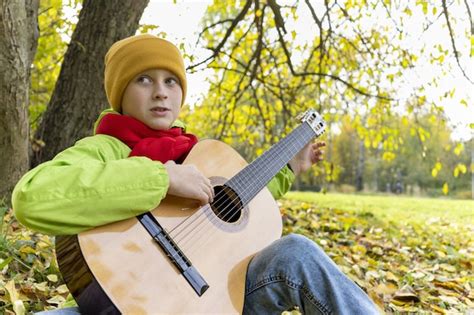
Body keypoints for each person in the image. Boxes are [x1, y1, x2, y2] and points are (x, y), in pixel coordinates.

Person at [12, 34, 379, 314]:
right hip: (115, 304)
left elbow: (241, 198)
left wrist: (288, 168)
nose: (161, 92)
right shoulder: (103, 149)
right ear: (120, 92)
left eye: (171, 82)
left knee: (296, 251)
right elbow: (32, 198)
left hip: (211, 300)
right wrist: (163, 180)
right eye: (143, 79)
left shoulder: (199, 153)